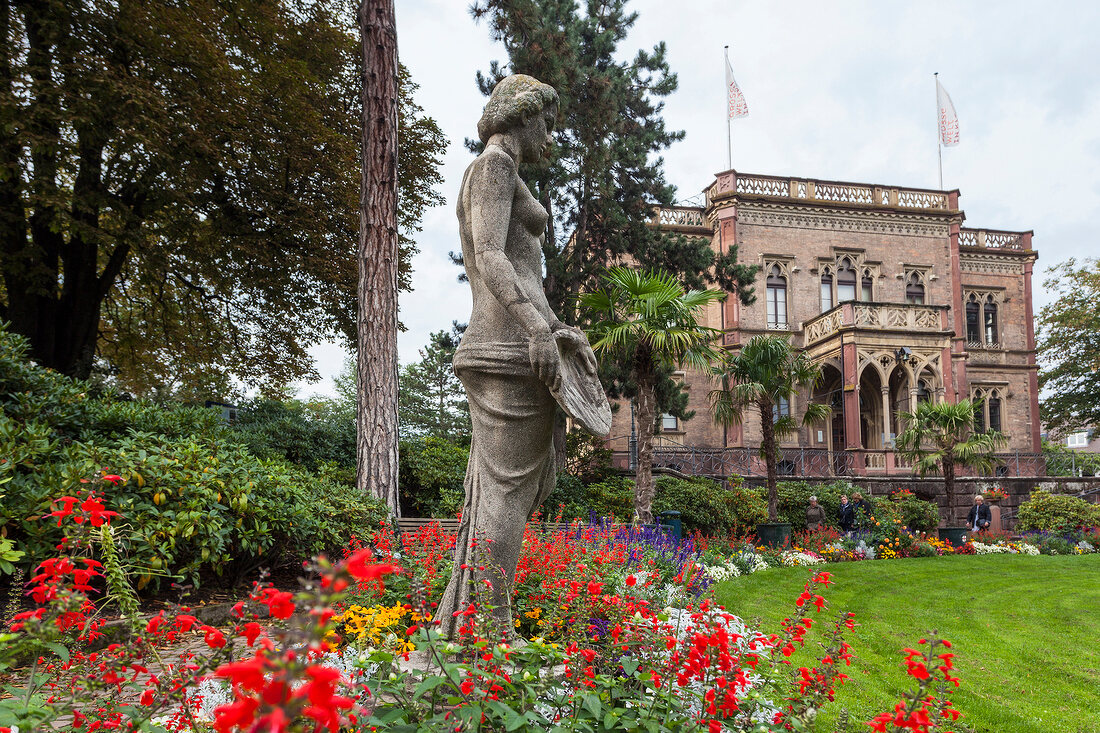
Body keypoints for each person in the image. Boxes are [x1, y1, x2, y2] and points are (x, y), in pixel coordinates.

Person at [436, 75, 593, 639]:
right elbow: (489, 257)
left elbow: (521, 270)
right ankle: (489, 633)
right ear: (523, 116)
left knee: (511, 487)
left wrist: (556, 328)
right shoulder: (495, 166)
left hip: (515, 342)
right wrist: (536, 330)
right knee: (508, 490)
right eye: (546, 121)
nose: (551, 134)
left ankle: (467, 620)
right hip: (507, 347)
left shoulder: (501, 171)